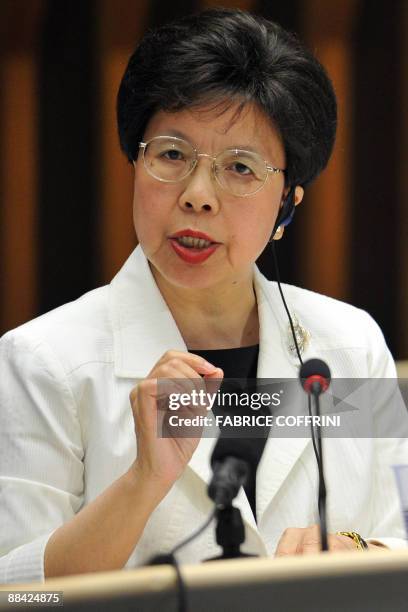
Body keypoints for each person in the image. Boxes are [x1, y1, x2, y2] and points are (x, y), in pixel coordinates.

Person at [1, 8, 407, 584]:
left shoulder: (348, 346)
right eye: (171, 155)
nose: (198, 196)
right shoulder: (41, 362)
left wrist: (357, 548)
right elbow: (17, 596)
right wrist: (143, 482)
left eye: (240, 168)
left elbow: (398, 537)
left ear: (287, 203)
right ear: (134, 163)